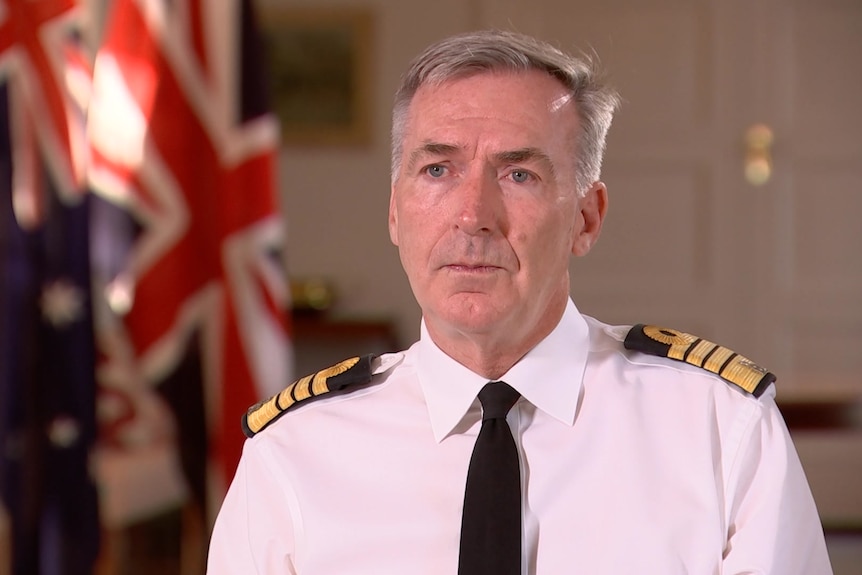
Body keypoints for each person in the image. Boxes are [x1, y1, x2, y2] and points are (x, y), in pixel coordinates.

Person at [206, 30, 832, 574]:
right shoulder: (293, 455)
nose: (473, 215)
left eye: (519, 174)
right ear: (394, 212)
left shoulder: (721, 432)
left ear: (587, 217)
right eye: (437, 171)